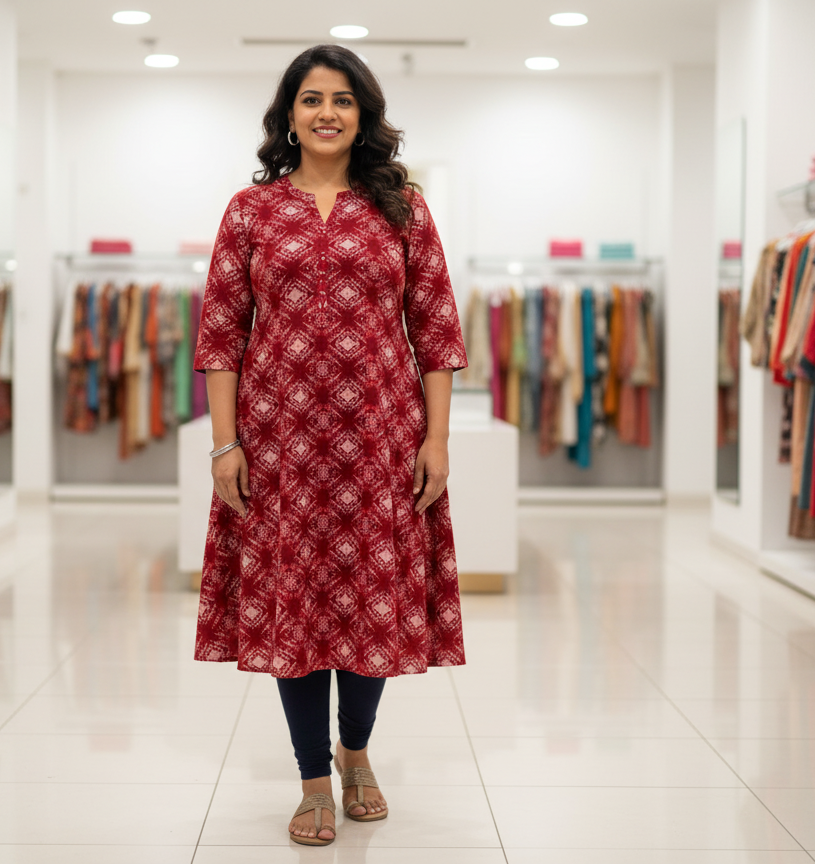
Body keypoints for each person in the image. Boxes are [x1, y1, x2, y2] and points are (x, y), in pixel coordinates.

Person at [192, 43, 468, 847]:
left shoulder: (403, 207)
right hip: (280, 448)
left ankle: (357, 754)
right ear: (288, 114)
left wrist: (438, 440)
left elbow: (438, 332)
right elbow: (219, 336)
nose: (326, 113)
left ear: (363, 116)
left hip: (379, 443)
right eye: (311, 99)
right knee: (298, 612)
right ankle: (313, 776)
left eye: (343, 100)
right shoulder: (251, 212)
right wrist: (224, 445)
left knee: (373, 607)